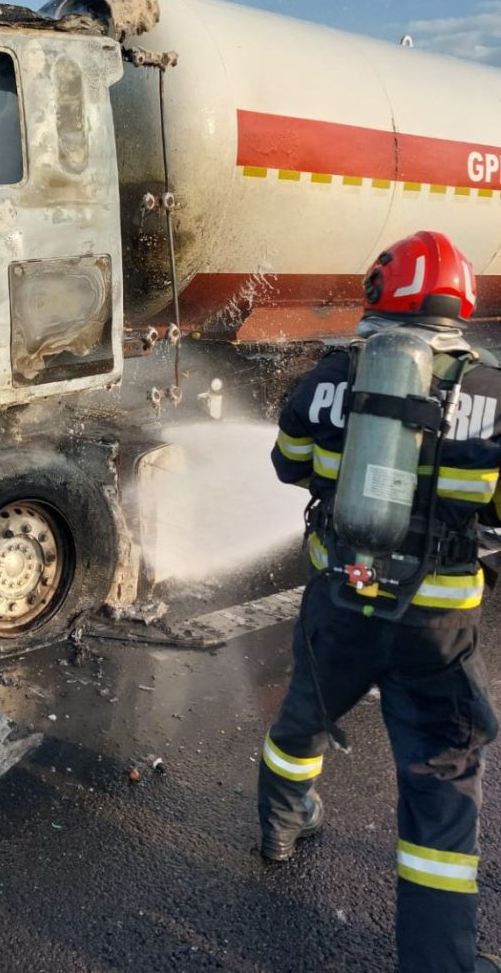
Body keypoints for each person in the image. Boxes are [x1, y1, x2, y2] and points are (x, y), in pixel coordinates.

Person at [260, 230, 501, 973]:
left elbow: (289, 465)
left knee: (305, 713)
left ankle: (280, 826)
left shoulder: (332, 374)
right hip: (435, 622)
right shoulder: (493, 393)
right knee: (440, 782)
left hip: (341, 595)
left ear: (380, 293)